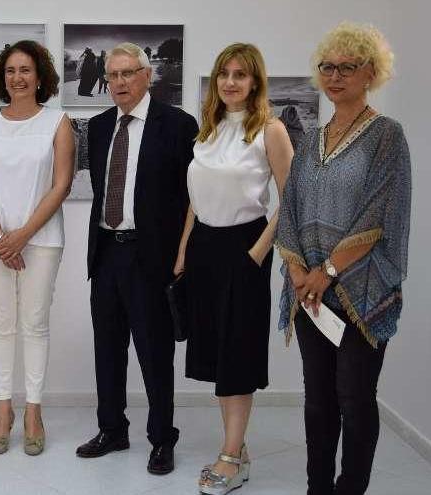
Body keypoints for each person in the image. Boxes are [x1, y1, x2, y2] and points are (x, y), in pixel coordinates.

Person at [275, 22, 411, 494]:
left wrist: (328, 270)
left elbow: (379, 210)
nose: (335, 77)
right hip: (311, 294)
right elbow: (289, 206)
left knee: (354, 399)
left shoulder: (386, 137)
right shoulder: (311, 139)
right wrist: (297, 271)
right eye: (327, 68)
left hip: (362, 290)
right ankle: (318, 487)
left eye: (347, 67)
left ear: (370, 72)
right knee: (318, 402)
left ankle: (350, 487)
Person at [174, 43, 293, 494]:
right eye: (224, 73)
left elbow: (291, 199)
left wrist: (258, 254)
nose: (230, 82)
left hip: (245, 246)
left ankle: (231, 457)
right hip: (204, 247)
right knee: (216, 353)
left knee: (237, 353)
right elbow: (194, 199)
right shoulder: (208, 130)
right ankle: (236, 447)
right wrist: (184, 251)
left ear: (255, 81)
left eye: (240, 74)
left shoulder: (271, 131)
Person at [75, 42, 197, 475]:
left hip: (152, 258)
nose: (120, 82)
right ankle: (112, 429)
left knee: (154, 352)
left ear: (148, 76)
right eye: (113, 75)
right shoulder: (101, 125)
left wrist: (182, 254)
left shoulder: (179, 125)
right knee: (107, 349)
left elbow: (191, 199)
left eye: (129, 73)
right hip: (106, 252)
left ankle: (162, 438)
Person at [0, 40, 74, 456]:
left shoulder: (58, 122)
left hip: (41, 242)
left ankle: (33, 411)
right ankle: (2, 410)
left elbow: (61, 185)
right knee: (0, 324)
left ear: (40, 76)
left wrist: (22, 236)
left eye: (26, 70)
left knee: (34, 324)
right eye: (10, 71)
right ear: (2, 78)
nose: (18, 78)